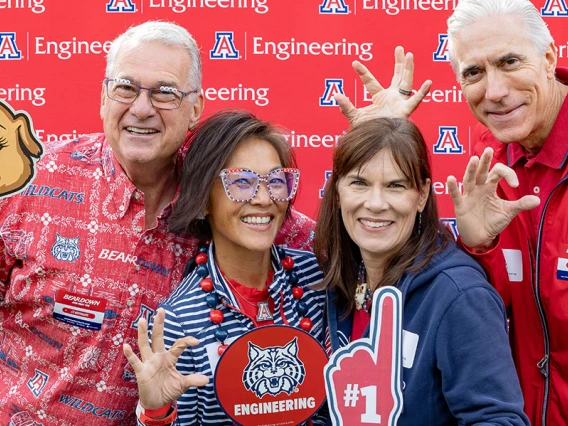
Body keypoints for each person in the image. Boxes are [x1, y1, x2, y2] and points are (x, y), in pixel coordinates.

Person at [0, 22, 314, 426]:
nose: (142, 108)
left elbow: (351, 246)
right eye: (126, 88)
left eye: (165, 92)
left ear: (196, 108)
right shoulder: (28, 185)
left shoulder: (224, 195)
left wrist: (381, 136)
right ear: (103, 96)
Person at [335, 1, 567, 424]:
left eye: (509, 61)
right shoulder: (489, 151)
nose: (494, 91)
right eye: (473, 73)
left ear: (550, 56)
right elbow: (482, 312)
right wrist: (477, 246)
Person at [315, 117, 529, 425]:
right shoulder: (336, 282)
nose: (375, 204)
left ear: (423, 195)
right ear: (337, 191)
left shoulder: (458, 295)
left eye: (395, 186)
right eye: (359, 183)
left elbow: (499, 420)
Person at [122, 110, 325, 425]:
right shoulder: (179, 323)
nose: (263, 198)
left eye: (275, 181)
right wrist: (157, 413)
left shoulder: (316, 279)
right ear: (204, 200)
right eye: (241, 182)